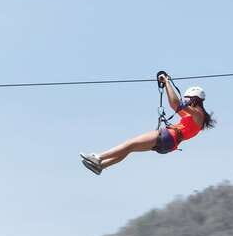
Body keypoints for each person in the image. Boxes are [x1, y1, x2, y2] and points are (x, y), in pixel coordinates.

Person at [80, 74, 215, 175]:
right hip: (168, 144)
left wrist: (167, 82)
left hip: (167, 137)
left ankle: (98, 157)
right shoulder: (194, 117)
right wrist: (167, 86)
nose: (186, 101)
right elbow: (175, 105)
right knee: (130, 148)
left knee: (129, 143)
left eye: (188, 99)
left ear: (194, 99)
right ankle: (102, 166)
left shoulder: (198, 114)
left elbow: (176, 103)